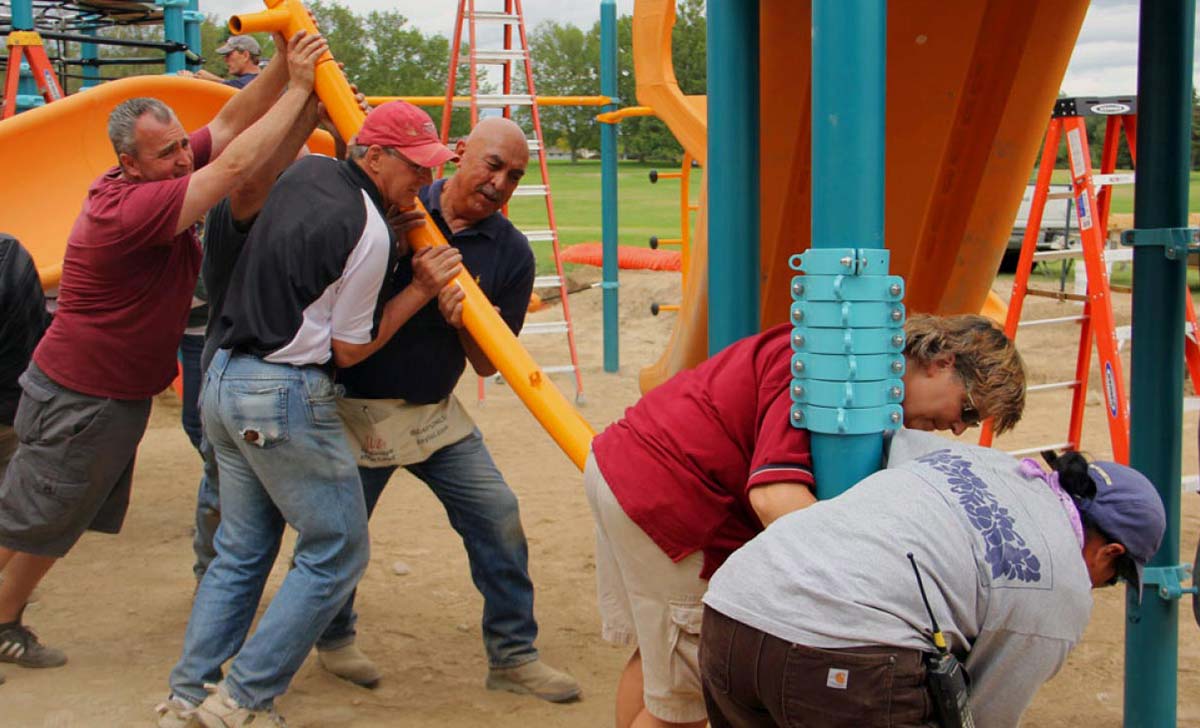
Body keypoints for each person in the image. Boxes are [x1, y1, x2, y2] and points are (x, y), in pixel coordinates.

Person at [0, 29, 328, 677]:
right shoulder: (134, 209)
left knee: (55, 515)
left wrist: (288, 66)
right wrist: (298, 89)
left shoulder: (157, 167)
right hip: (83, 395)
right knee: (36, 515)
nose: (183, 160)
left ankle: (5, 616)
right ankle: (4, 619)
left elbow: (231, 124)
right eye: (167, 152)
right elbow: (234, 170)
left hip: (100, 392)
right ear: (129, 162)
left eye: (183, 145)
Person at [160, 100, 463, 727]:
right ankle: (245, 696)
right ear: (373, 156)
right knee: (337, 548)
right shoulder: (371, 232)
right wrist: (421, 288)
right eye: (415, 167)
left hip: (223, 376)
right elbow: (351, 348)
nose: (425, 182)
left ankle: (189, 693)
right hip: (283, 392)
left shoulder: (307, 175)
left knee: (242, 548)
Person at [582, 314, 1026, 728]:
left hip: (622, 462)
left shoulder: (854, 348)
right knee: (683, 704)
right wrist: (862, 580)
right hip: (675, 499)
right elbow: (775, 498)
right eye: (968, 410)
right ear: (942, 362)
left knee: (658, 660)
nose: (959, 430)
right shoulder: (840, 372)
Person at [309, 116, 581, 702]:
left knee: (498, 514)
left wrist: (463, 325)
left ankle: (513, 655)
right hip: (356, 408)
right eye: (492, 165)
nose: (500, 183)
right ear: (459, 154)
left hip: (433, 413)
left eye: (514, 175)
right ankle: (333, 639)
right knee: (341, 533)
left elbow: (488, 365)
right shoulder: (397, 205)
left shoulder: (510, 253)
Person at [700, 430, 1167, 727]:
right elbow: (983, 714)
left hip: (734, 606)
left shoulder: (986, 461)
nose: (1098, 586)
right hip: (843, 648)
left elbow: (900, 441)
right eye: (1110, 578)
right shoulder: (1061, 584)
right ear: (1111, 551)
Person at [0, 234, 50, 688]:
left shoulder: (9, 256)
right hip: (11, 409)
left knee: (20, 521)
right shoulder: (9, 253)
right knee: (18, 520)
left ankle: (5, 624)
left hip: (11, 411)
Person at [181, 35, 264, 88]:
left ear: (245, 55)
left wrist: (191, 82)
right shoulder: (260, 80)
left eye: (229, 54)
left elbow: (238, 88)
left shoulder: (254, 84)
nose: (225, 59)